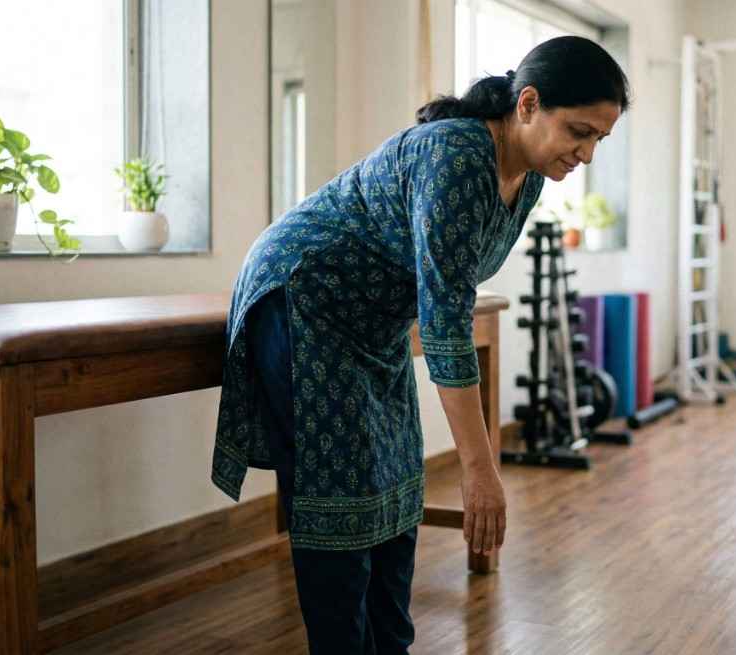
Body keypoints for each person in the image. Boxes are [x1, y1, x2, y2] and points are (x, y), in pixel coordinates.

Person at [210, 36, 628, 654]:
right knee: (341, 500)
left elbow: (446, 287)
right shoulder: (456, 157)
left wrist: (477, 464)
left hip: (373, 324)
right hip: (305, 301)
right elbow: (445, 322)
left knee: (398, 490)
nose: (587, 154)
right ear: (528, 104)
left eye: (600, 139)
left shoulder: (529, 177)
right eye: (579, 132)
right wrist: (480, 469)